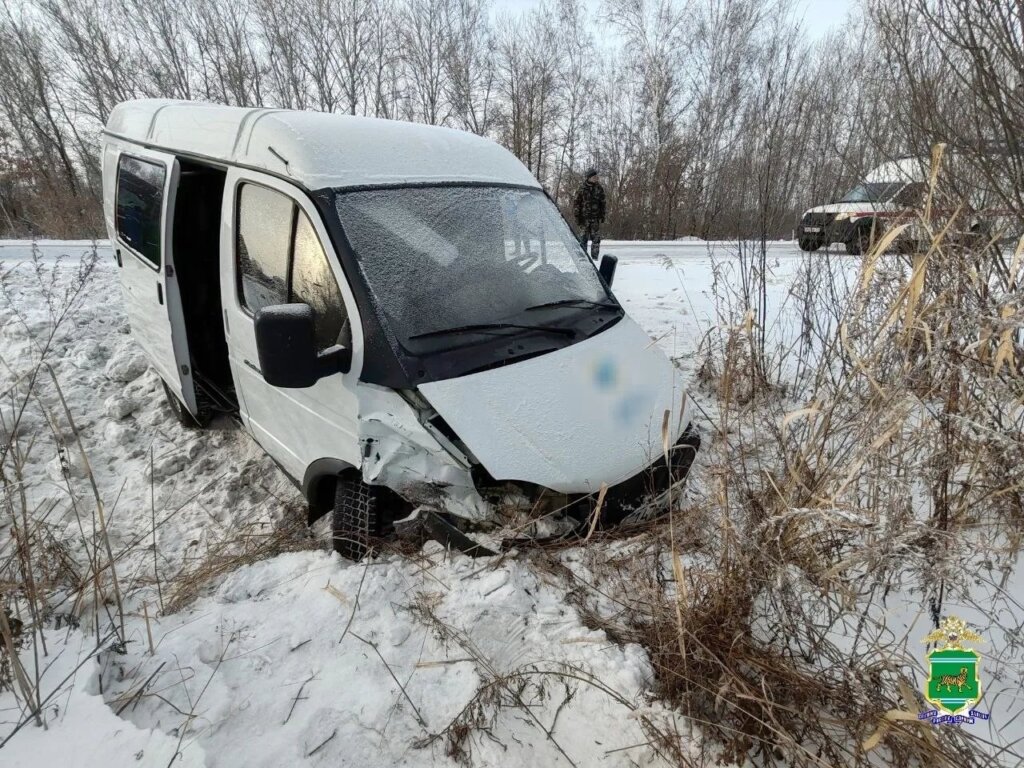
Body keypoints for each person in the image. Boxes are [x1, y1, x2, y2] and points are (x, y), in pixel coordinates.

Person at [573, 168, 606, 260]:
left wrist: (602, 215)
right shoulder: (581, 188)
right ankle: (582, 259)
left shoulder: (599, 188)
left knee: (596, 240)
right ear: (589, 177)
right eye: (594, 176)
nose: (596, 178)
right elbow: (576, 204)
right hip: (584, 219)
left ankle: (595, 259)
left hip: (595, 219)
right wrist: (577, 217)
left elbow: (603, 203)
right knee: (583, 239)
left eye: (596, 176)